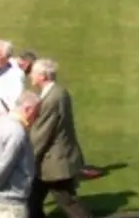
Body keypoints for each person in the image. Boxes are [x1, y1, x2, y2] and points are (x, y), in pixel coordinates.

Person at [27, 60, 91, 218]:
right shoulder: (58, 92)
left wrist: (26, 157)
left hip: (53, 164)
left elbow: (41, 134)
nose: (30, 76)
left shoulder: (51, 99)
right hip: (55, 160)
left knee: (68, 202)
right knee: (32, 202)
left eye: (33, 73)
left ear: (43, 76)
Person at [0, 90, 39, 218]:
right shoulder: (17, 132)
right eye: (36, 111)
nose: (37, 116)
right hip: (12, 199)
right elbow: (5, 164)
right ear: (28, 108)